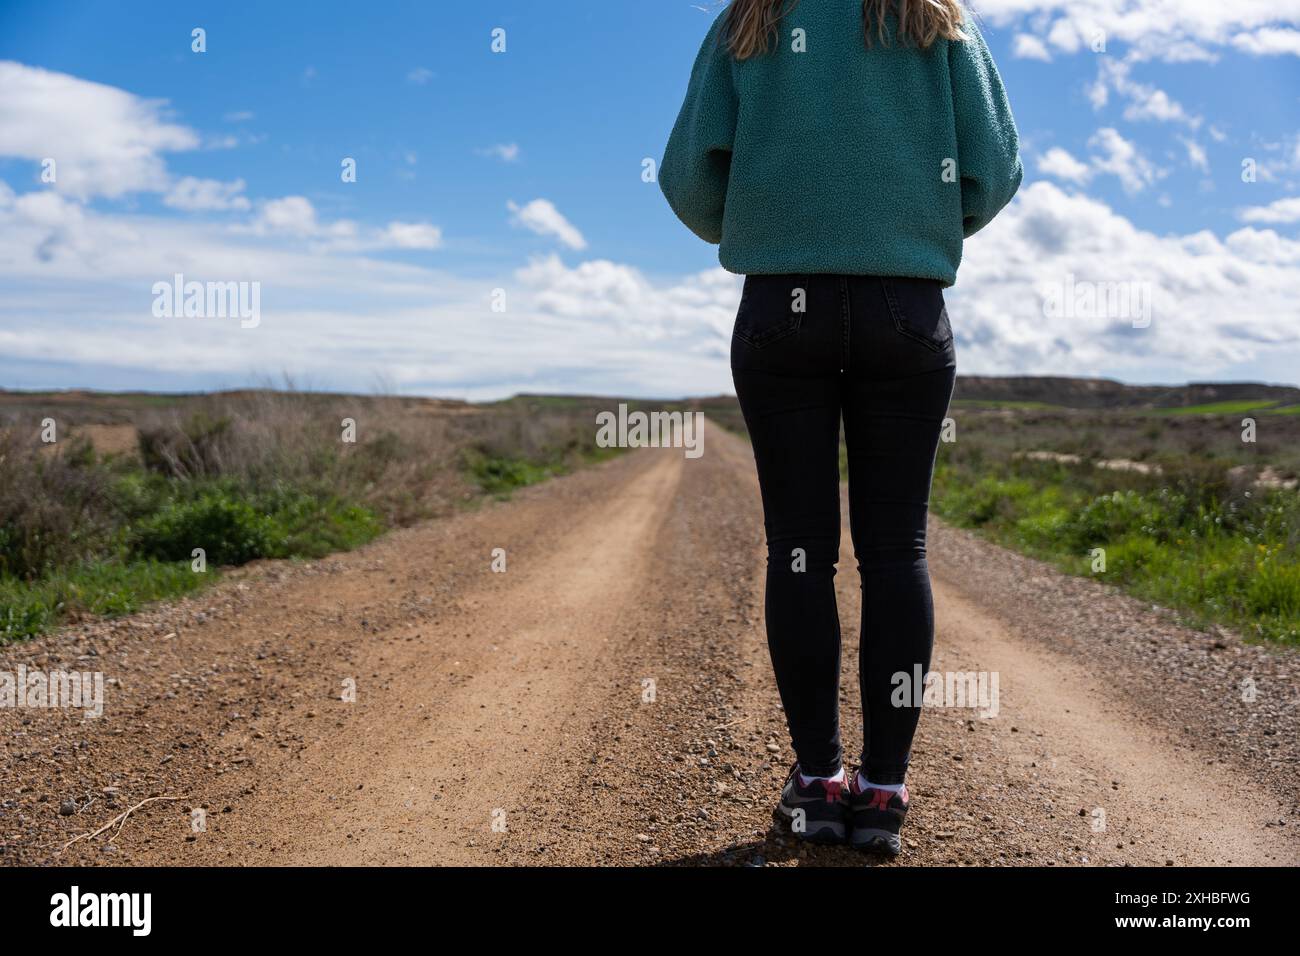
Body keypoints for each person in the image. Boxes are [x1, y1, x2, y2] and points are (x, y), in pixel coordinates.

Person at [659, 0, 1021, 855]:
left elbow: (685, 179)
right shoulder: (941, 22)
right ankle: (884, 793)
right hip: (908, 302)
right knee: (898, 551)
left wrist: (764, 225)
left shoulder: (750, 18)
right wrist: (915, 232)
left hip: (782, 306)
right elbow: (996, 168)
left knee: (799, 546)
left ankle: (819, 784)